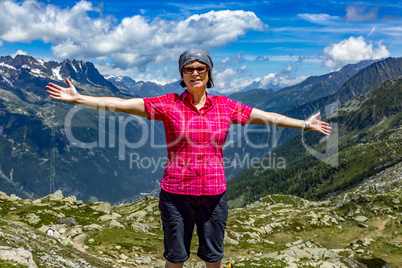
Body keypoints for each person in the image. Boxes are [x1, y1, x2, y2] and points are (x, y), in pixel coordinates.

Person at [46, 49, 331, 268]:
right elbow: (121, 105)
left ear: (209, 74)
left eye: (201, 68)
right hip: (175, 195)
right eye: (189, 69)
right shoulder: (168, 104)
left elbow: (267, 117)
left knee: (214, 256)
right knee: (175, 257)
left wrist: (304, 125)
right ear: (182, 75)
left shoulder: (225, 107)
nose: (195, 73)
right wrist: (80, 99)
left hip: (214, 194)